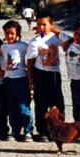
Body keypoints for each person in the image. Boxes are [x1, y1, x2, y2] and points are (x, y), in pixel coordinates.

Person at [26, 9, 65, 141]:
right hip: (40, 73)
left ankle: (58, 129)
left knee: (57, 102)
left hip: (54, 74)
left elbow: (69, 41)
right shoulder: (34, 41)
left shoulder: (55, 38)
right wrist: (30, 79)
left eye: (44, 24)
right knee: (41, 103)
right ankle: (42, 130)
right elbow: (30, 61)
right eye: (38, 24)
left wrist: (54, 31)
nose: (41, 27)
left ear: (51, 24)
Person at [0, 19, 33, 142]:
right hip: (8, 80)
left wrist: (30, 80)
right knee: (11, 106)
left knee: (23, 106)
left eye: (12, 33)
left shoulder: (23, 46)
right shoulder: (3, 47)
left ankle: (28, 131)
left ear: (18, 33)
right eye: (7, 33)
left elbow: (29, 62)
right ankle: (15, 131)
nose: (9, 36)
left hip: (21, 79)